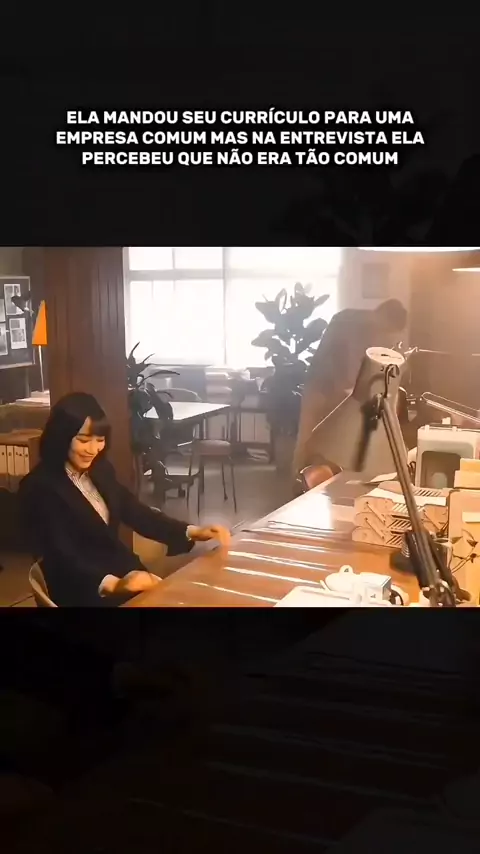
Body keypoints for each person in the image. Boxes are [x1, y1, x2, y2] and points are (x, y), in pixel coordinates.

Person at [18, 392, 231, 607]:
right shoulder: (38, 487)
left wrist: (191, 531)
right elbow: (60, 555)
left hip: (122, 572)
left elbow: (135, 511)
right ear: (62, 436)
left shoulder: (100, 469)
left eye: (99, 440)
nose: (92, 450)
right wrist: (114, 585)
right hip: (83, 589)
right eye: (83, 440)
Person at [292, 299, 408, 484]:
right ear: (385, 317)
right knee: (314, 438)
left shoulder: (351, 316)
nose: (384, 333)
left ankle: (306, 482)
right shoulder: (360, 326)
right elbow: (351, 364)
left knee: (312, 438)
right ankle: (303, 485)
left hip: (319, 383)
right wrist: (353, 391)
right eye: (387, 329)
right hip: (323, 386)